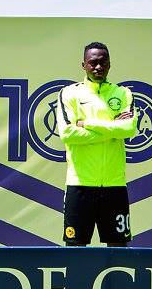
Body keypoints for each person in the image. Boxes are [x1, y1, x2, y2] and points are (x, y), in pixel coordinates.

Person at [57, 42, 139, 247]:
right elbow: (67, 133)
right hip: (79, 184)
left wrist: (88, 124)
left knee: (118, 251)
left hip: (114, 186)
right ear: (83, 65)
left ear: (110, 65)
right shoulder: (69, 93)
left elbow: (128, 129)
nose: (98, 67)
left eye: (103, 63)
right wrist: (113, 129)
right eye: (93, 63)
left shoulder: (123, 93)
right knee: (75, 249)